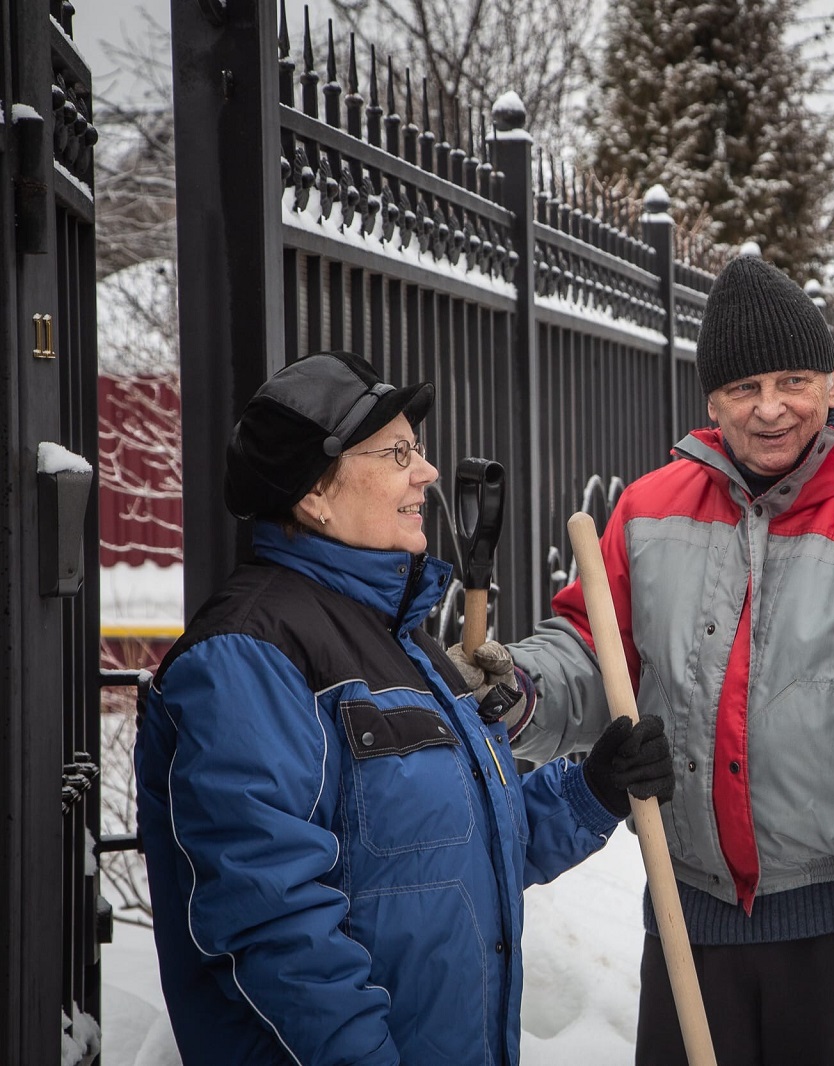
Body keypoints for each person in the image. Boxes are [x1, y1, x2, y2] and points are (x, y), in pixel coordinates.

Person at [465, 253, 834, 1065]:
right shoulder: (650, 510)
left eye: (793, 381)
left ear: (832, 383)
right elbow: (597, 654)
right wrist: (523, 685)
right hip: (688, 909)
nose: (771, 410)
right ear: (711, 400)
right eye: (743, 390)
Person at [135, 350, 674, 1065]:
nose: (424, 471)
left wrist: (590, 792)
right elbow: (275, 929)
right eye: (395, 453)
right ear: (314, 494)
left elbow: (447, 859)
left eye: (416, 449)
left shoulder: (401, 642)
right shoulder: (248, 658)